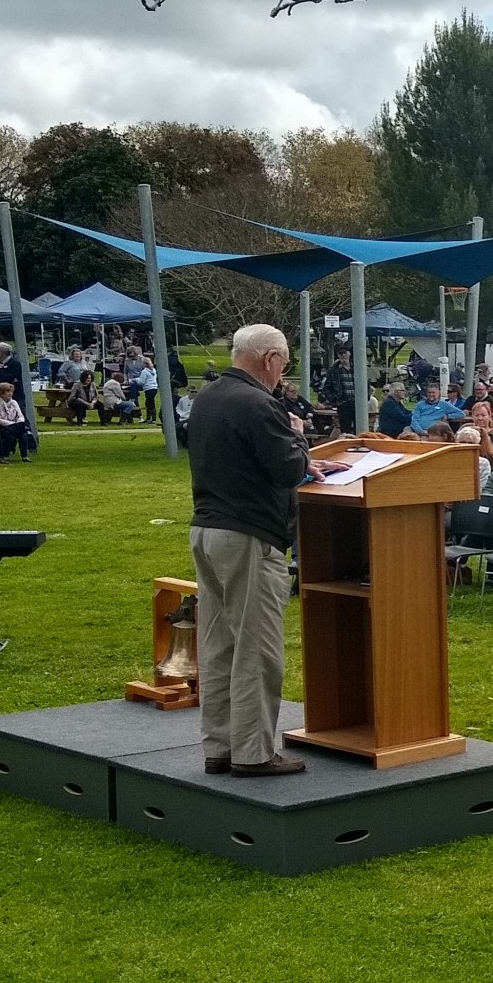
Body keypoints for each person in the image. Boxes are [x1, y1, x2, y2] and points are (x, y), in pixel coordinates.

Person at [188, 326, 345, 777]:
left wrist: (301, 459)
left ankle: (218, 748)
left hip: (206, 529)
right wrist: (298, 437)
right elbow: (285, 469)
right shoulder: (261, 403)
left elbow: (242, 457)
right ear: (271, 359)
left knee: (218, 645)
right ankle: (254, 753)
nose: (283, 372)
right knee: (256, 649)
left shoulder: (210, 396)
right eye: (285, 362)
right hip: (250, 536)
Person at [0, 381, 33, 463]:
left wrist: (18, 423)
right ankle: (5, 455)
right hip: (2, 426)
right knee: (9, 435)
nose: (10, 394)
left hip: (15, 425)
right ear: (1, 393)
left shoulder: (14, 402)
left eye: (11, 391)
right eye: (8, 391)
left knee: (23, 434)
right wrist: (11, 424)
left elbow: (21, 416)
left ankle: (25, 456)